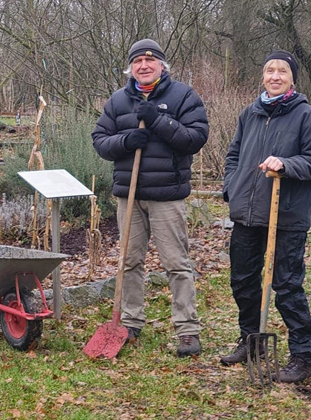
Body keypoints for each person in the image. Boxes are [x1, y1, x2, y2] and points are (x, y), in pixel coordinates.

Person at [91, 39, 209, 357]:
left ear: (161, 65)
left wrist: (158, 120)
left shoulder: (183, 96)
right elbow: (100, 141)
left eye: (150, 60)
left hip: (167, 195)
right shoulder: (118, 101)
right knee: (129, 263)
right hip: (128, 195)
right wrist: (127, 139)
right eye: (137, 61)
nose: (144, 66)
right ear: (130, 68)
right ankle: (130, 322)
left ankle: (187, 330)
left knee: (176, 263)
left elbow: (196, 138)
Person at [219, 50, 311, 383]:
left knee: (287, 285)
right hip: (248, 213)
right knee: (243, 282)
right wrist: (231, 187)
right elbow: (233, 155)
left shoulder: (306, 116)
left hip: (286, 215)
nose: (275, 76)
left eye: (282, 71)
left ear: (293, 78)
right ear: (263, 76)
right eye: (269, 71)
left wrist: (286, 164)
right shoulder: (249, 114)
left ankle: (303, 354)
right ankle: (251, 341)